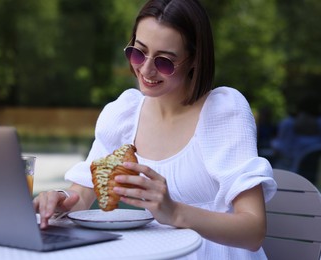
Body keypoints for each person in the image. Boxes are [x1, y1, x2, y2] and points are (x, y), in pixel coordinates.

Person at [34, 0, 277, 259]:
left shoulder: (222, 111)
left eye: (164, 62)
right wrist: (59, 200)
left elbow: (254, 231)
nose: (146, 69)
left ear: (194, 60)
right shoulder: (124, 114)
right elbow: (81, 196)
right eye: (138, 53)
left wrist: (174, 212)